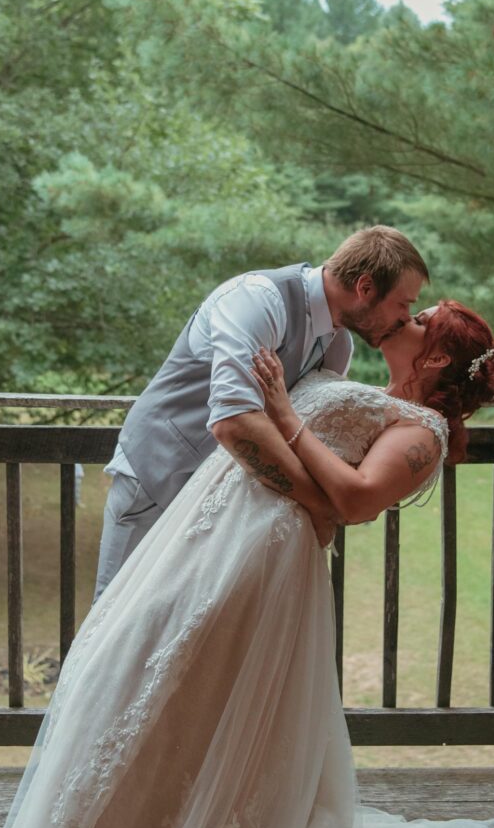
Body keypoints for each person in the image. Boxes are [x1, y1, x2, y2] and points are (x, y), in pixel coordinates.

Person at [0, 299, 494, 828]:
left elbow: (355, 501)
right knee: (123, 674)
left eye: (423, 318)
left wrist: (285, 412)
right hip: (207, 531)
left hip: (259, 558)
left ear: (441, 357)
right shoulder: (345, 363)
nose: (408, 316)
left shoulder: (422, 431)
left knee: (170, 703)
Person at [93, 224, 430, 598]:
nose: (405, 317)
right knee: (112, 626)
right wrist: (320, 507)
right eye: (403, 304)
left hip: (219, 510)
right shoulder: (257, 300)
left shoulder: (338, 345)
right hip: (156, 479)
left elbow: (306, 433)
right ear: (365, 288)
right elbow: (234, 424)